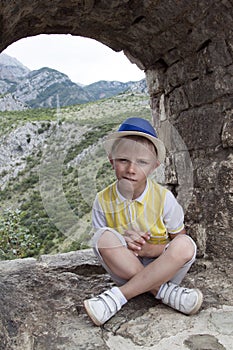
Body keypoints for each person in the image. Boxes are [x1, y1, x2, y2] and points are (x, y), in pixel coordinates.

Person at [84, 117, 203, 326]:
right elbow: (106, 247)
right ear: (111, 160)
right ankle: (164, 293)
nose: (131, 169)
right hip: (126, 269)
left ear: (154, 167)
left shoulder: (164, 198)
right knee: (102, 237)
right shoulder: (102, 200)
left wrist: (148, 250)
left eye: (142, 162)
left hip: (164, 270)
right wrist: (122, 240)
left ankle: (118, 297)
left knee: (186, 245)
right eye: (123, 160)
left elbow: (178, 241)